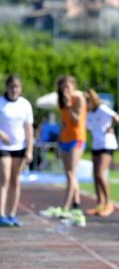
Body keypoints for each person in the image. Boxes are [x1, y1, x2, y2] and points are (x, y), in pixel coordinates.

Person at [39, 75, 87, 226]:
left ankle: (66, 207)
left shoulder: (78, 98)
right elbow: (64, 122)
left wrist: (69, 104)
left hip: (77, 139)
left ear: (73, 86)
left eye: (67, 87)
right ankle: (76, 206)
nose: (65, 90)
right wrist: (59, 140)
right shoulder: (61, 101)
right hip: (65, 139)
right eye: (62, 87)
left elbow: (76, 120)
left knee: (71, 173)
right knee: (69, 174)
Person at [0, 74, 34, 226]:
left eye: (17, 87)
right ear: (7, 87)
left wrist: (30, 150)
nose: (14, 89)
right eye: (11, 86)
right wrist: (1, 134)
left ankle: (12, 214)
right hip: (3, 147)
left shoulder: (25, 105)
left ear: (20, 88)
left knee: (15, 181)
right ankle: (1, 214)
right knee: (5, 179)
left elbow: (28, 128)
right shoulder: (1, 103)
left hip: (19, 147)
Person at [85, 89, 119, 217]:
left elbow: (117, 117)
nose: (86, 103)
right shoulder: (88, 113)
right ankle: (99, 204)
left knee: (101, 174)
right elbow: (89, 128)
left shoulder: (102, 108)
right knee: (95, 176)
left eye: (87, 100)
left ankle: (108, 203)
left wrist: (110, 127)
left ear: (92, 99)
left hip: (107, 144)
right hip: (96, 145)